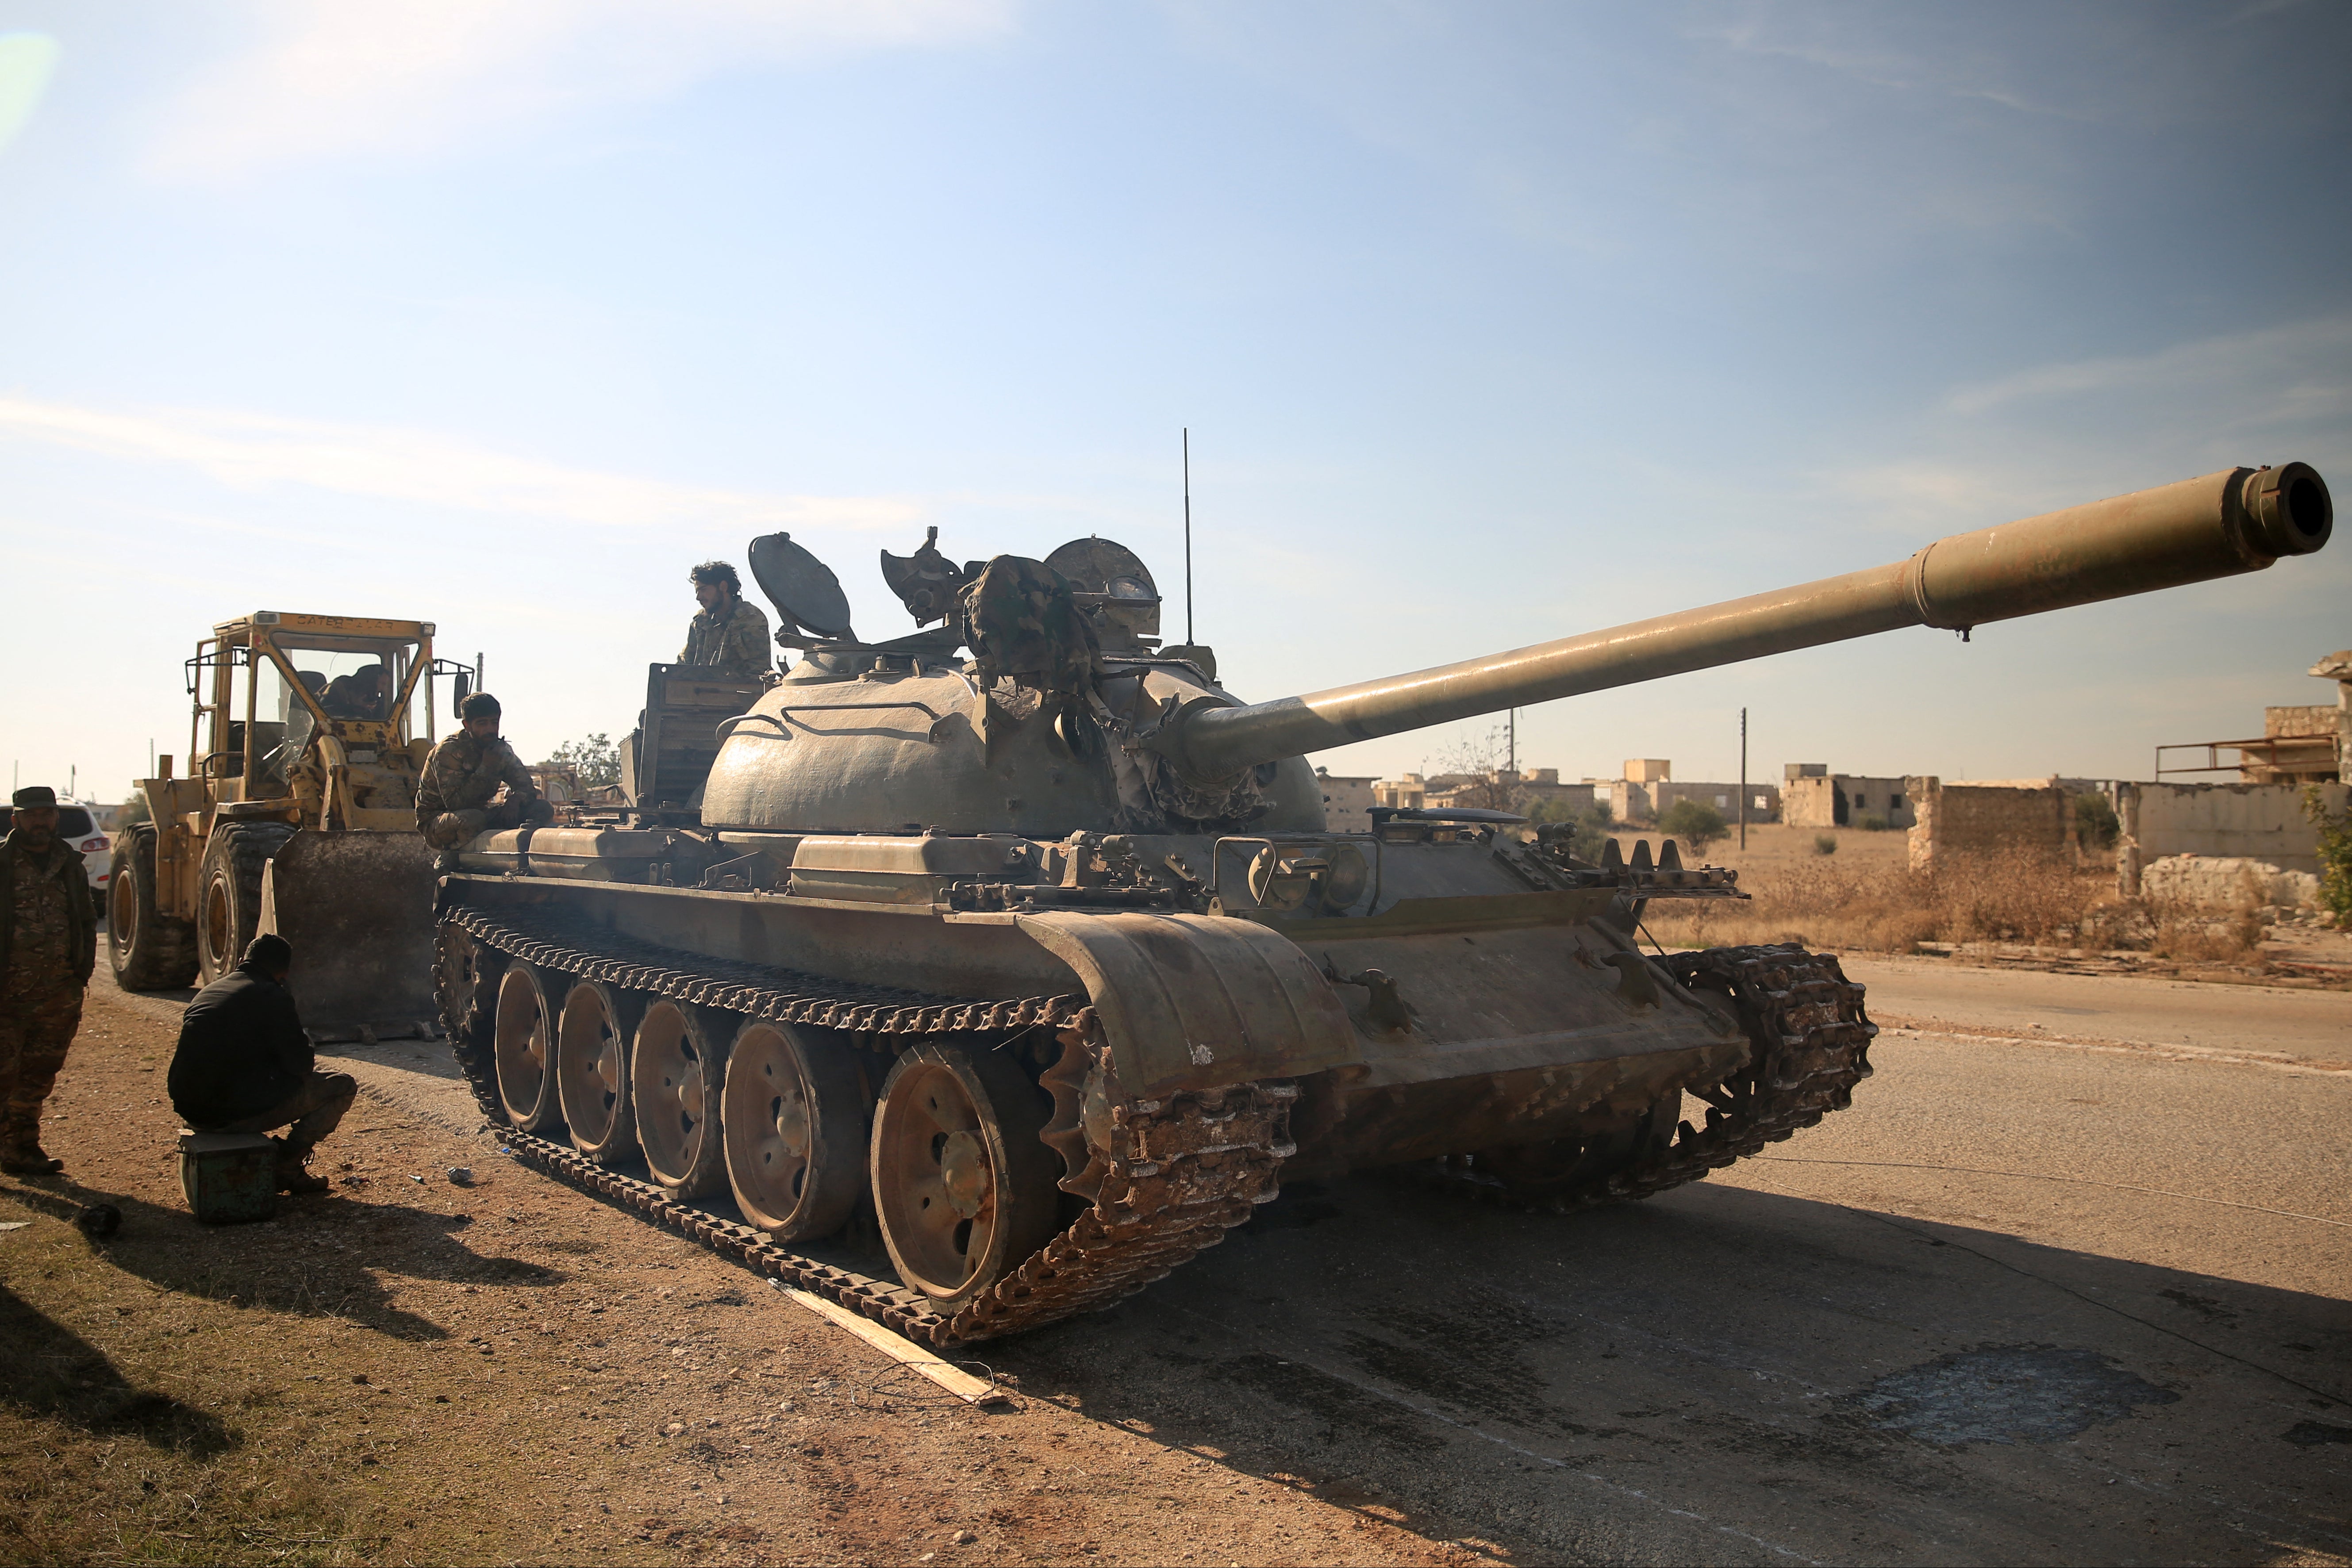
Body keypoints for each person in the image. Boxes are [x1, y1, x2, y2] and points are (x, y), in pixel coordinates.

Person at [168, 934, 355, 1196]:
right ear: (284, 973)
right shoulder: (273, 996)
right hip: (231, 1116)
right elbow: (300, 1065)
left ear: (244, 960)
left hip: (192, 1111)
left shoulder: (208, 991)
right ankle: (288, 1166)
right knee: (342, 1086)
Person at [0, 785, 96, 1175]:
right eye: (30, 815)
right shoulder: (3, 864)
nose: (39, 821)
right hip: (7, 994)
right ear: (16, 819)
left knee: (38, 1076)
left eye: (46, 814)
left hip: (59, 994)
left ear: (55, 817)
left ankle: (22, 1149)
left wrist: (81, 973)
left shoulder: (70, 863)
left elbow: (86, 920)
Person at [415, 691, 552, 850]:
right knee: (472, 819)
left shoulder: (500, 750)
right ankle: (453, 856)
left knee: (542, 809)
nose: (490, 729)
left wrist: (515, 800)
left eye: (494, 723)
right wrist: (486, 767)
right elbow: (455, 804)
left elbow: (527, 788)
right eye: (482, 724)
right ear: (467, 726)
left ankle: (515, 854)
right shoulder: (449, 751)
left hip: (480, 815)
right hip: (439, 823)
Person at [679, 561, 772, 678]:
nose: (699, 597)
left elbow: (758, 671)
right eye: (697, 591)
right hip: (698, 693)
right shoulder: (701, 621)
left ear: (723, 587)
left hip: (734, 694)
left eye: (704, 590)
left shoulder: (749, 618)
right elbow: (684, 664)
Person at [321, 663, 387, 720]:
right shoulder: (340, 687)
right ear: (371, 681)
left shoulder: (374, 699)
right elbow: (324, 713)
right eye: (383, 684)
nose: (383, 689)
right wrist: (354, 706)